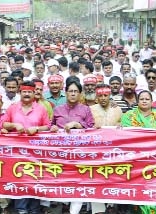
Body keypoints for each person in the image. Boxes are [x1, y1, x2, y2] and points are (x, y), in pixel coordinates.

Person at [1, 81, 50, 214]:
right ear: (20, 92)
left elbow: (48, 126)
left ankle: (34, 210)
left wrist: (37, 128)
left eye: (29, 92)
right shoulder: (12, 107)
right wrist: (14, 125)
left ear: (34, 93)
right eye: (24, 92)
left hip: (36, 153)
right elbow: (3, 124)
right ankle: (21, 210)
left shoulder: (41, 108)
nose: (27, 94)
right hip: (16, 153)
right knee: (19, 181)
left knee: (34, 181)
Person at [50, 76, 95, 214]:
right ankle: (64, 203)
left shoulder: (85, 109)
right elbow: (50, 126)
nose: (73, 94)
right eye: (70, 91)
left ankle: (73, 210)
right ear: (66, 92)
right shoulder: (58, 109)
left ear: (80, 93)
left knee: (78, 180)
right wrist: (53, 129)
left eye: (76, 91)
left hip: (80, 152)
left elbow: (92, 128)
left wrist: (77, 124)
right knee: (63, 179)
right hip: (61, 153)